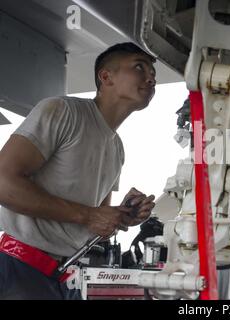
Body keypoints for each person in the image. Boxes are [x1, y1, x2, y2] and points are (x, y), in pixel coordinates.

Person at [0, 42, 157, 299]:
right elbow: (2, 182)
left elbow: (95, 224)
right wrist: (89, 216)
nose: (150, 78)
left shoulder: (117, 149)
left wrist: (122, 216)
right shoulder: (63, 112)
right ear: (106, 77)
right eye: (140, 67)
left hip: (63, 279)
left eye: (153, 74)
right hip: (19, 270)